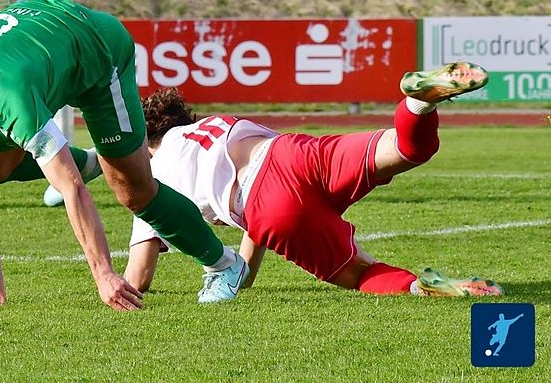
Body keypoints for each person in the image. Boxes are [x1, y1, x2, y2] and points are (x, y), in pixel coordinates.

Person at [0, 0, 248, 309]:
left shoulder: (11, 103)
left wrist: (103, 273)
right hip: (46, 44)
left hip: (98, 56)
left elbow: (71, 189)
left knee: (134, 192)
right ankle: (87, 161)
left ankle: (224, 264)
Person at [124, 61, 505, 298]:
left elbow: (139, 277)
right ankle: (419, 102)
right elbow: (257, 196)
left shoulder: (152, 175)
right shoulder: (208, 126)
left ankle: (424, 287)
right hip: (293, 153)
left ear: (145, 143)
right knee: (406, 149)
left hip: (267, 206)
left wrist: (110, 281)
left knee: (359, 273)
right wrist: (244, 272)